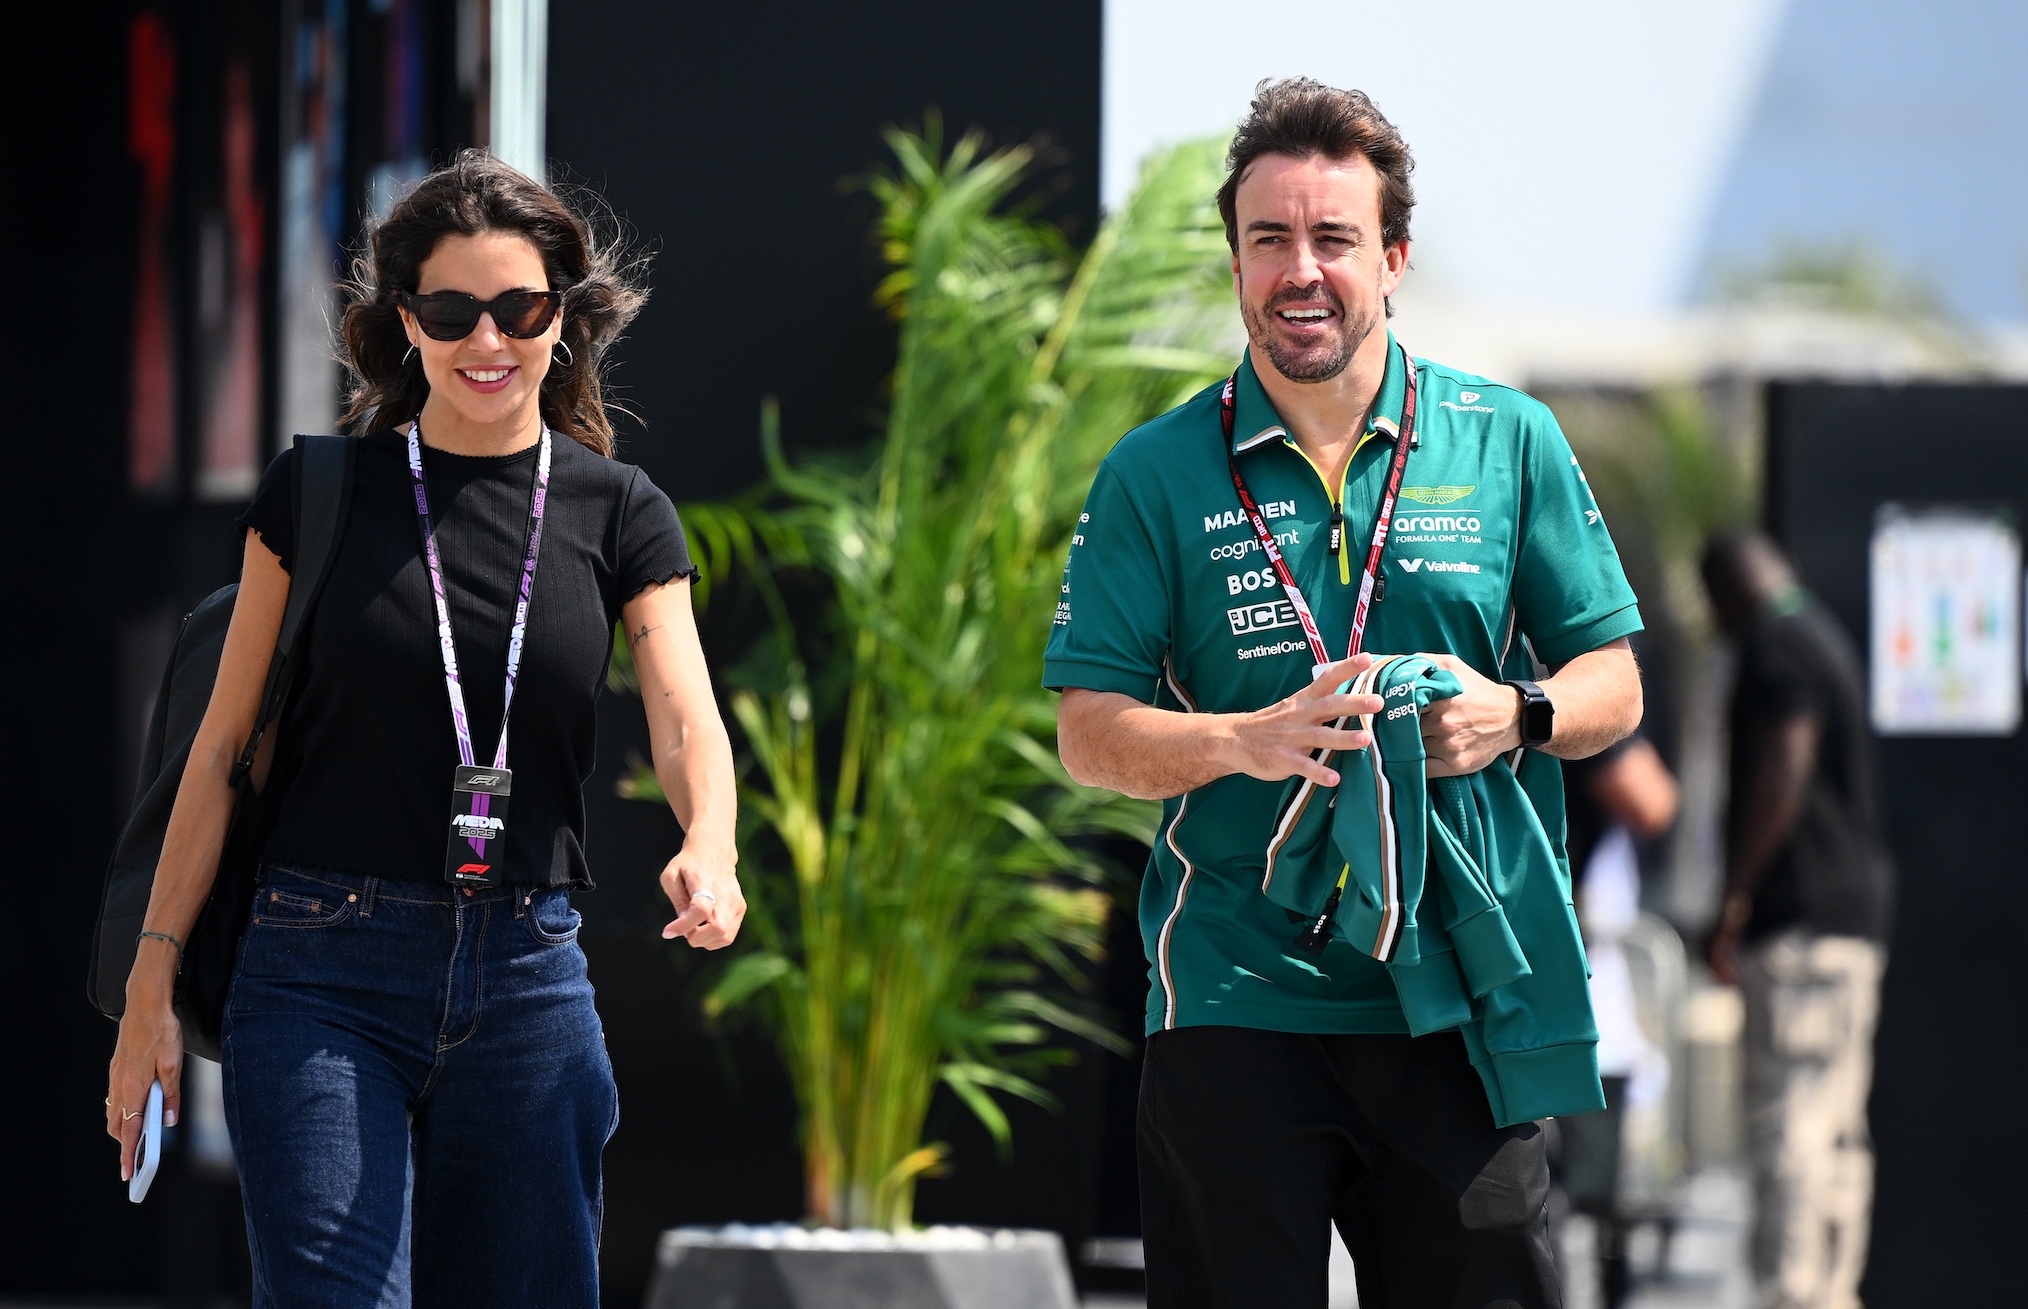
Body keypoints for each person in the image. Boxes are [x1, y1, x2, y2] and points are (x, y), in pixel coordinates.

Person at [105, 151, 745, 1306]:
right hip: (317, 963)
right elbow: (220, 748)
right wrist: (149, 991)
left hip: (528, 972)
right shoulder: (319, 491)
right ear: (407, 321)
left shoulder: (619, 510)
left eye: (521, 308)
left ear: (565, 317)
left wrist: (711, 843)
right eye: (451, 311)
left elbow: (684, 711)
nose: (486, 341)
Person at [1046, 78, 1646, 1308]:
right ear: (1235, 263)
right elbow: (1089, 733)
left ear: (1395, 256)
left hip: (1461, 995)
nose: (1301, 270)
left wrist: (1515, 713)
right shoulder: (1156, 471)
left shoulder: (1506, 437)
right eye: (1270, 239)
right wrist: (1243, 738)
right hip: (1232, 987)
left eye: (1334, 239)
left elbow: (1614, 683)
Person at [1701, 530, 1892, 1309]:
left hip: (1800, 929)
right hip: (1852, 925)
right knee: (1837, 1128)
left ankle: (1796, 1295)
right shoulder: (1824, 635)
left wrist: (1736, 896)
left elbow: (1786, 761)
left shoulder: (1777, 645)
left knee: (1790, 1132)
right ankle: (1832, 1289)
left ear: (1726, 593)